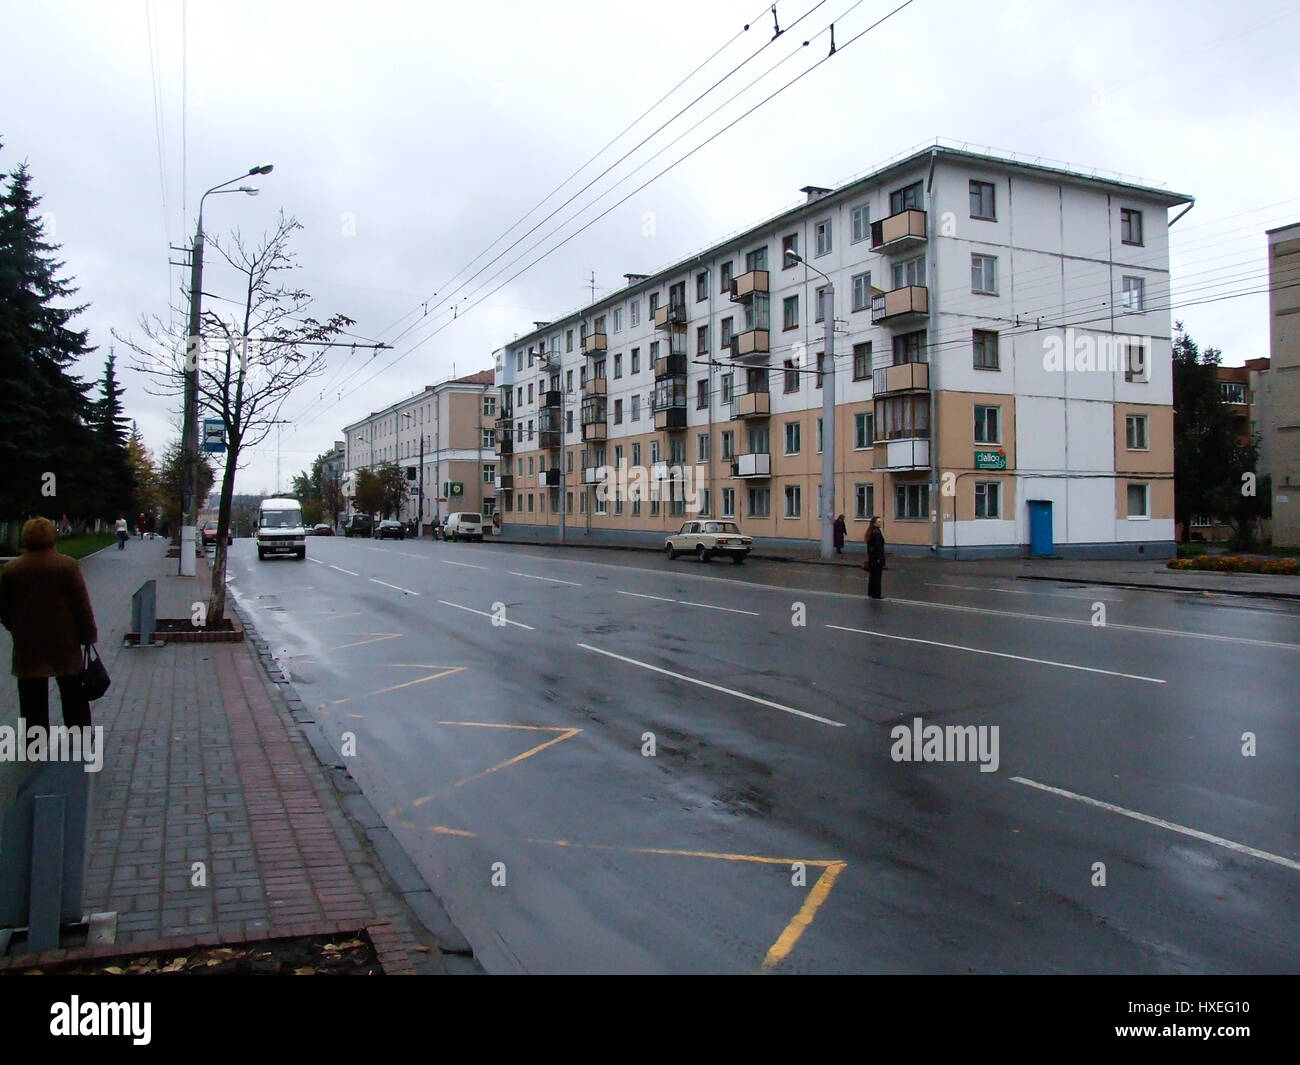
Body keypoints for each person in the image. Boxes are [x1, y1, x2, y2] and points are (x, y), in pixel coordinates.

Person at [0, 517, 99, 732]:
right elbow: (81, 604)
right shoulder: (67, 565)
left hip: (28, 643)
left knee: (31, 695)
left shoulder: (12, 569)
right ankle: (79, 734)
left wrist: (14, 628)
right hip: (65, 640)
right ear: (51, 537)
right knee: (72, 691)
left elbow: (5, 608)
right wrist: (88, 635)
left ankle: (35, 742)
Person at [865, 517, 886, 600]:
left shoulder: (872, 532)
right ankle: (876, 594)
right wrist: (879, 558)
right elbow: (878, 547)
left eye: (880, 521)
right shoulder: (877, 533)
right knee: (877, 576)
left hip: (872, 558)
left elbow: (870, 547)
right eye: (879, 521)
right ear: (874, 523)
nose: (880, 523)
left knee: (873, 576)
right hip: (877, 558)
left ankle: (871, 592)